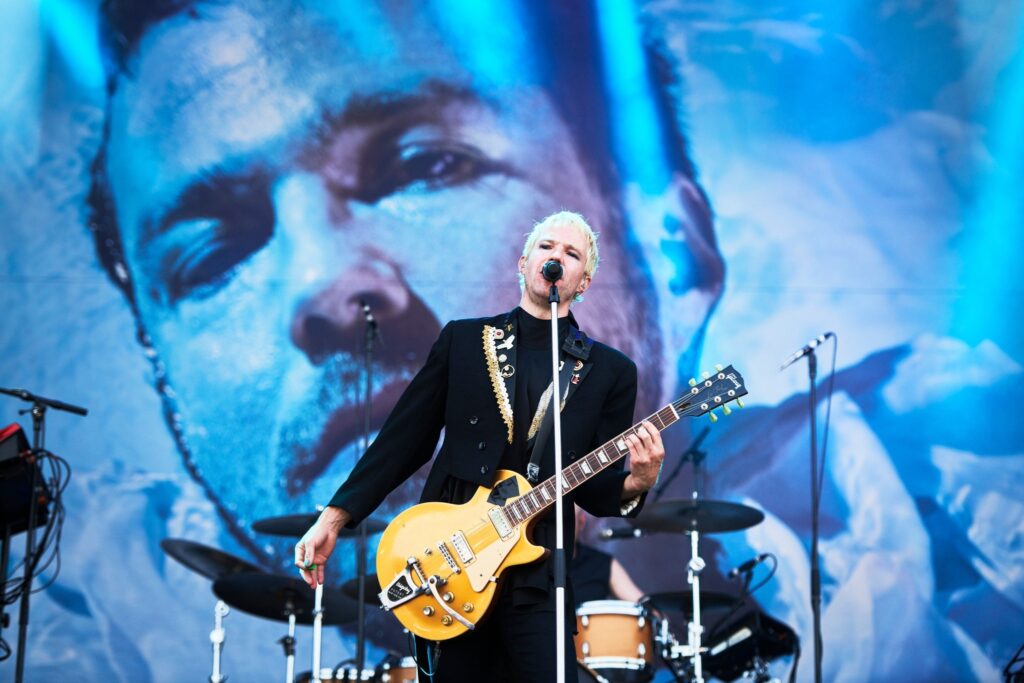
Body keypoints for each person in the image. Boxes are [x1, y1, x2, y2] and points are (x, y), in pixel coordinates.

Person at [293, 210, 666, 681]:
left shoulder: (609, 371)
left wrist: (637, 480)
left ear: (583, 282)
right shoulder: (465, 341)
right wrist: (336, 516)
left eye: (571, 254)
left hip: (538, 572)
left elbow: (593, 488)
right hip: (452, 559)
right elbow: (403, 439)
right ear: (524, 261)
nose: (556, 258)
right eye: (547, 247)